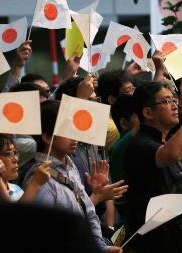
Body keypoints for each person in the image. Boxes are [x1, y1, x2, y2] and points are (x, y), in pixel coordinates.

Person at [0, 128, 107, 253]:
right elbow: (12, 227)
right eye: (7, 154)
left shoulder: (13, 189)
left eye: (15, 152)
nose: (14, 159)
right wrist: (35, 185)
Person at [124, 81, 182, 253]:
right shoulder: (139, 144)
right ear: (148, 112)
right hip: (155, 241)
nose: (174, 105)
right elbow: (171, 155)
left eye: (174, 100)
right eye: (166, 101)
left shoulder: (170, 140)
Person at [23, 100, 123, 253]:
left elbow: (88, 212)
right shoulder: (39, 177)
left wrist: (100, 247)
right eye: (67, 130)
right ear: (48, 137)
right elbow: (45, 233)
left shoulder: (71, 165)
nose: (75, 136)